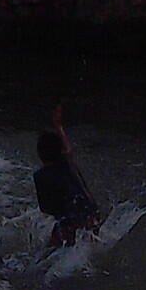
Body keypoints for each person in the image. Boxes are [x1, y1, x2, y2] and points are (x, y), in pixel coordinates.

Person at [33, 104, 99, 248]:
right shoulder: (67, 162)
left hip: (70, 221)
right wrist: (58, 126)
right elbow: (68, 148)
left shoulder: (41, 176)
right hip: (91, 214)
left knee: (49, 254)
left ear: (39, 154)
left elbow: (46, 208)